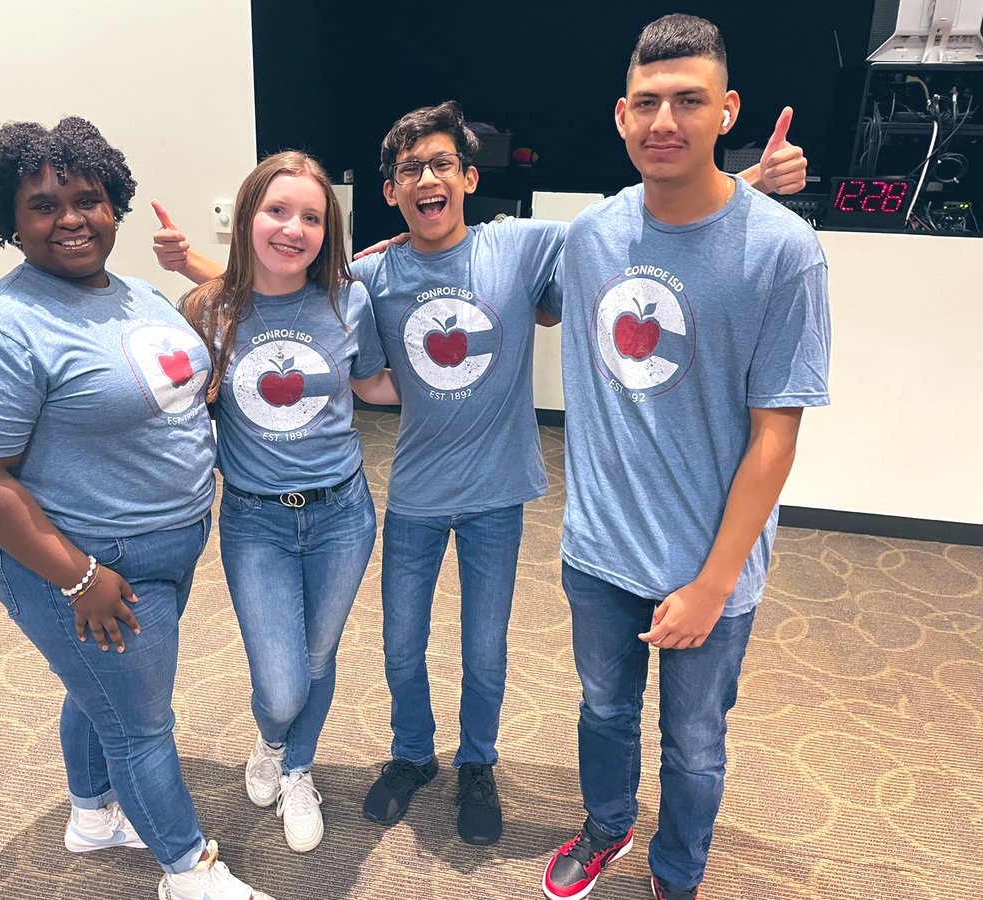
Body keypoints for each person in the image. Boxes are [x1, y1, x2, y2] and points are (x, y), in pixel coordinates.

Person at [152, 101, 807, 849]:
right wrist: (193, 266)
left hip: (499, 495)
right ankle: (409, 754)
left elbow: (638, 232)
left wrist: (748, 179)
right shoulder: (372, 272)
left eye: (440, 165)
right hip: (415, 495)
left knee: (485, 650)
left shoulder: (525, 248)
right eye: (407, 171)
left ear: (467, 177)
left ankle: (477, 763)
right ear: (391, 192)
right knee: (401, 645)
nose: (426, 179)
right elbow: (280, 284)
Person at [0, 117, 273, 900]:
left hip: (165, 547)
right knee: (140, 726)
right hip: (88, 564)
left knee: (97, 694)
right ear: (8, 220)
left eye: (88, 199)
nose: (71, 219)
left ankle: (92, 816)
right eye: (43, 205)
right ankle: (188, 872)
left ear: (115, 205)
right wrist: (80, 577)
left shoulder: (134, 295)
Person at [538, 15, 831, 900]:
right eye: (649, 104)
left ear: (726, 109)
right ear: (622, 117)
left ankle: (679, 874)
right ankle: (607, 829)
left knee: (696, 740)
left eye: (689, 102)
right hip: (599, 551)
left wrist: (712, 584)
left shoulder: (786, 252)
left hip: (713, 563)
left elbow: (776, 436)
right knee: (602, 709)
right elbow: (509, 291)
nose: (665, 121)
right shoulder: (588, 237)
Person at [165, 151, 396, 854]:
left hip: (342, 515)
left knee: (319, 659)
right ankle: (271, 737)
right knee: (282, 680)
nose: (293, 228)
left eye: (312, 217)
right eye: (277, 211)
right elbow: (174, 412)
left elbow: (375, 386)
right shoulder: (208, 309)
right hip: (255, 520)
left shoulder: (348, 300)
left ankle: (297, 767)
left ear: (330, 230)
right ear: (247, 217)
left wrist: (468, 392)